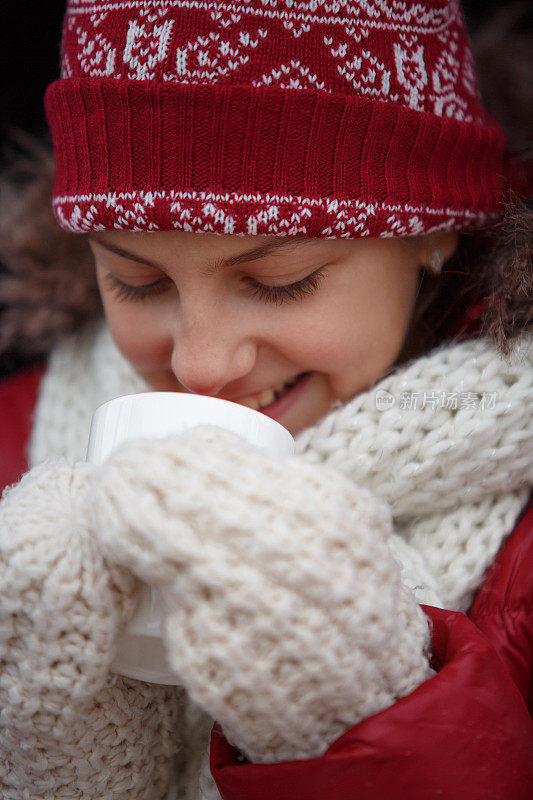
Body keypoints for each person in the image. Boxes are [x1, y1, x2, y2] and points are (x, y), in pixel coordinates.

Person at [0, 1, 532, 798]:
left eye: (278, 282)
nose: (201, 364)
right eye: (136, 280)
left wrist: (356, 717)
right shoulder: (15, 449)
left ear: (433, 229)